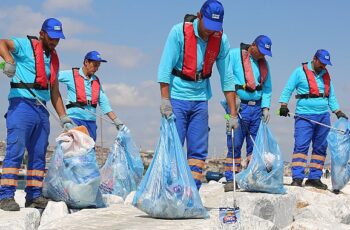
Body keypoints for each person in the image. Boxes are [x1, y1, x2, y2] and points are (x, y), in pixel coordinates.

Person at [158, 0, 238, 190]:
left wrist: (232, 113)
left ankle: (191, 192)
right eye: (208, 25)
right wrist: (165, 100)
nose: (210, 31)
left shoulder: (221, 39)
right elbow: (164, 68)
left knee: (198, 150)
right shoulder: (179, 32)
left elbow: (227, 77)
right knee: (173, 146)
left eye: (215, 27)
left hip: (201, 98)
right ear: (199, 15)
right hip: (177, 97)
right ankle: (169, 191)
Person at [0, 18, 74, 211]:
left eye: (58, 39)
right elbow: (2, 43)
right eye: (52, 37)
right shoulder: (25, 45)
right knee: (15, 152)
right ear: (42, 33)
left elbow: (55, 91)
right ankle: (5, 196)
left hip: (42, 110)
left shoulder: (54, 59)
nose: (55, 42)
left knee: (39, 154)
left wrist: (64, 117)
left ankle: (34, 196)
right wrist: (8, 61)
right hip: (21, 105)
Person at [279, 49, 348, 190]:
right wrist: (283, 105)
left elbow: (331, 96)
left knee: (321, 147)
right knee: (301, 146)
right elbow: (288, 89)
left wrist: (337, 111)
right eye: (322, 63)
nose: (324, 67)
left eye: (326, 64)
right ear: (314, 59)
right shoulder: (299, 72)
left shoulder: (326, 75)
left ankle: (314, 178)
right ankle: (297, 178)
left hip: (323, 116)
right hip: (304, 115)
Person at [223, 35, 272, 192]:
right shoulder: (233, 55)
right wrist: (232, 101)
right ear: (253, 45)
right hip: (238, 107)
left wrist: (265, 107)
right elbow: (225, 77)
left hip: (256, 108)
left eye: (265, 53)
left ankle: (251, 177)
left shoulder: (264, 64)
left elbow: (268, 88)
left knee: (254, 146)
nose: (262, 55)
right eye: (261, 51)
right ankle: (231, 178)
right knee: (234, 144)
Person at [58, 51, 124, 141]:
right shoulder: (71, 75)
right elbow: (52, 76)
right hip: (75, 119)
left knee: (89, 150)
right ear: (86, 62)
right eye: (94, 65)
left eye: (98, 66)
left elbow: (104, 103)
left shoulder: (96, 81)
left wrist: (116, 120)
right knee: (74, 151)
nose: (96, 68)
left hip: (91, 122)